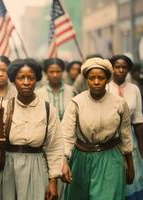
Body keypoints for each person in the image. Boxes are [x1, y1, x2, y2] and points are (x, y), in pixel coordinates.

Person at [0, 58, 64, 200]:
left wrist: (53, 181)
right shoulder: (4, 108)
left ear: (36, 80)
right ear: (13, 80)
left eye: (30, 78)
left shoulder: (48, 109)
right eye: (20, 78)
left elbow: (54, 147)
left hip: (36, 168)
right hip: (7, 169)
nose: (26, 82)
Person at [62, 57, 134, 200]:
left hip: (110, 159)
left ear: (107, 79)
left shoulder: (119, 103)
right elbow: (66, 134)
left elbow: (126, 136)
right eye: (91, 78)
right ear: (86, 79)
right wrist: (64, 162)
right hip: (81, 158)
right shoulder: (76, 103)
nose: (96, 82)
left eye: (100, 78)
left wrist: (130, 167)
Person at [108, 54, 143, 200]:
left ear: (128, 70)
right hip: (111, 141)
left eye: (124, 67)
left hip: (131, 140)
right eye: (117, 67)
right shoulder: (105, 87)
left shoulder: (134, 89)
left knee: (134, 177)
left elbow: (138, 120)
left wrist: (141, 148)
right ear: (112, 69)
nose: (121, 70)